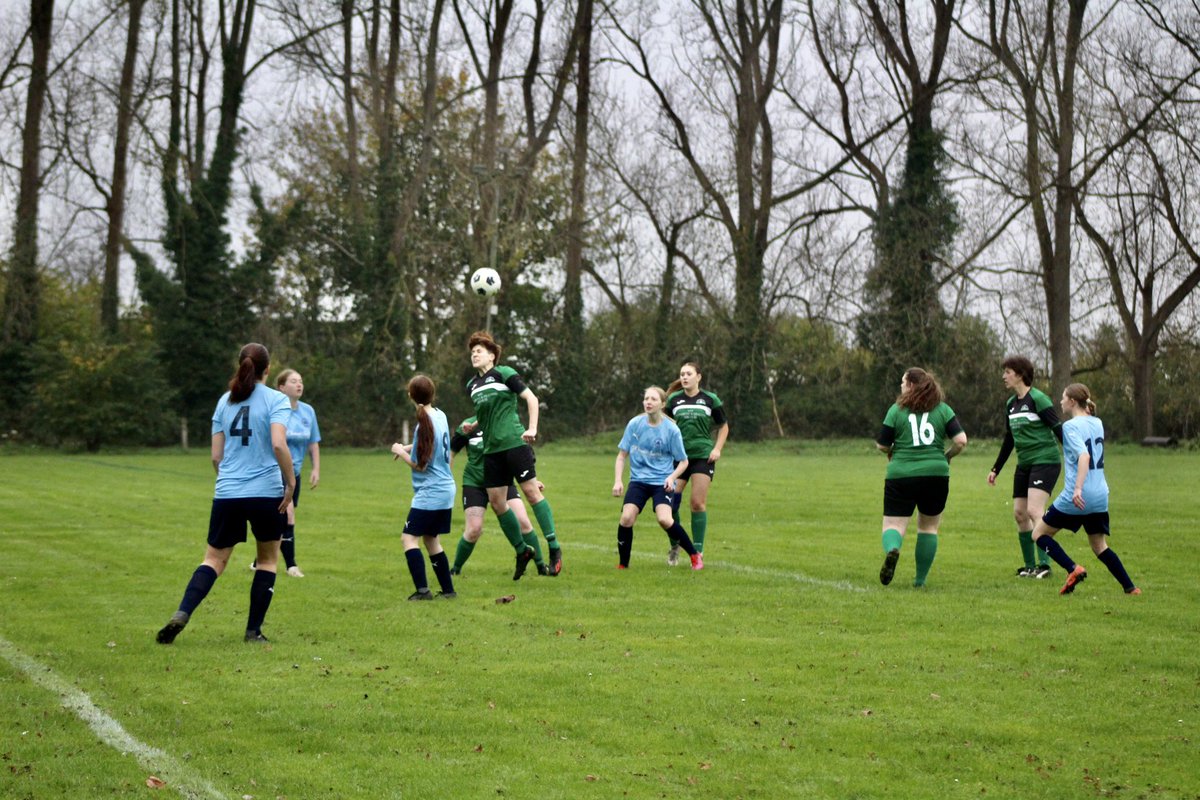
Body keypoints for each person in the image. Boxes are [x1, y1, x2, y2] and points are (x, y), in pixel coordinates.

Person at [156, 343, 295, 644]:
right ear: (267, 369)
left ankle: (183, 612)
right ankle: (253, 631)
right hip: (266, 492)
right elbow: (279, 445)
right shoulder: (276, 400)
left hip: (228, 492)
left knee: (214, 560)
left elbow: (216, 457)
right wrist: (291, 482)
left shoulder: (224, 402)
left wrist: (230, 483)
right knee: (268, 560)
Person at [464, 330, 562, 579]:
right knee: (497, 503)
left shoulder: (504, 373)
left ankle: (554, 547)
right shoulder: (472, 385)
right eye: (472, 351)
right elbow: (487, 410)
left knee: (531, 492)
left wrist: (532, 428)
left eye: (479, 351)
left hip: (515, 445)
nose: (474, 354)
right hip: (491, 451)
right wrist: (474, 425)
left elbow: (531, 398)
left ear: (492, 356)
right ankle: (522, 551)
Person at [1031, 383, 1140, 596]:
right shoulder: (1097, 422)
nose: (1061, 401)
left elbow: (1084, 456)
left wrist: (1078, 489)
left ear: (1072, 402)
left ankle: (1073, 569)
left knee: (1039, 534)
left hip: (1077, 497)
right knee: (1100, 546)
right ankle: (1131, 588)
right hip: (1100, 495)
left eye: (1063, 398)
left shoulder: (1070, 427)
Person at [875, 367, 968, 588]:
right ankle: (920, 581)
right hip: (936, 474)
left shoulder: (896, 411)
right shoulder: (943, 410)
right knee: (928, 527)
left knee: (893, 525)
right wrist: (946, 456)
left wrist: (891, 451)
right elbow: (961, 440)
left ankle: (893, 550)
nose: (900, 386)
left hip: (901, 474)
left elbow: (882, 445)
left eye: (902, 382)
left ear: (910, 386)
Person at [986, 356, 1061, 579]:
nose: (1004, 376)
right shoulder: (1011, 404)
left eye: (1007, 372)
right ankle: (1030, 566)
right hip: (1025, 463)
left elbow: (1059, 430)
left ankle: (1045, 564)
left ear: (1019, 374)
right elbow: (1009, 440)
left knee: (1035, 512)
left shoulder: (1039, 399)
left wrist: (1076, 459)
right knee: (1020, 513)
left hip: (1045, 461)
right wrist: (995, 468)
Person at [612, 387, 703, 570]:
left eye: (653, 399)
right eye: (646, 398)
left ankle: (694, 555)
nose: (648, 402)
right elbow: (622, 456)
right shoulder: (635, 424)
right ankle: (623, 565)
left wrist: (671, 477)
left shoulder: (671, 430)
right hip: (638, 481)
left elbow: (684, 462)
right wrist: (618, 480)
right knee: (626, 518)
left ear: (662, 404)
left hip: (662, 481)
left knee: (664, 519)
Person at [448, 415, 547, 577]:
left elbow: (522, 455)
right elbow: (451, 454)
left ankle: (541, 567)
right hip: (475, 483)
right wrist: (447, 480)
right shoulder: (466, 426)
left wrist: (532, 482)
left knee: (524, 522)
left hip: (502, 482)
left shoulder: (506, 424)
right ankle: (455, 570)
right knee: (474, 529)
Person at [390, 375, 457, 600]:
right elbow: (432, 442)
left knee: (408, 538)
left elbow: (420, 465)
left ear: (410, 395)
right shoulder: (440, 415)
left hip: (431, 490)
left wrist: (401, 452)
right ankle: (448, 591)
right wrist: (407, 446)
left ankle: (423, 591)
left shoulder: (423, 425)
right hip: (446, 487)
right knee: (431, 539)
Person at [251, 369, 320, 577]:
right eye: (293, 381)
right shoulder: (275, 409)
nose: (299, 384)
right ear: (281, 387)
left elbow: (313, 442)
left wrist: (316, 468)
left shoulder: (308, 411)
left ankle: (260, 559)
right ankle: (291, 565)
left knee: (279, 518)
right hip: (275, 470)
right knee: (288, 515)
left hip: (295, 473)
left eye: (301, 381)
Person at [664, 361, 729, 564]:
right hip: (679, 457)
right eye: (682, 374)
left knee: (697, 503)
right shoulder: (674, 400)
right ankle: (676, 544)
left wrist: (717, 449)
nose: (684, 377)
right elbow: (663, 426)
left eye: (688, 374)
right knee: (670, 504)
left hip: (702, 456)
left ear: (698, 377)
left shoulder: (710, 399)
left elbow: (723, 426)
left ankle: (697, 552)